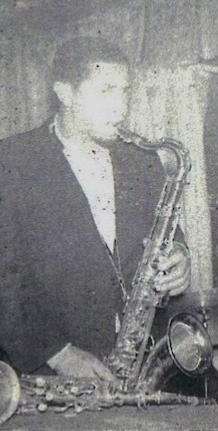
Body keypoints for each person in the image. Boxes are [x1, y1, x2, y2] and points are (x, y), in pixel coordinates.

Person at [0, 37, 191, 381]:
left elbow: (167, 234)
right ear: (65, 93)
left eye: (124, 91)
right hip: (50, 372)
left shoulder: (143, 162)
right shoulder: (13, 162)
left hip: (139, 365)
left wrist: (179, 255)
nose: (120, 107)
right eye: (106, 91)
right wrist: (57, 354)